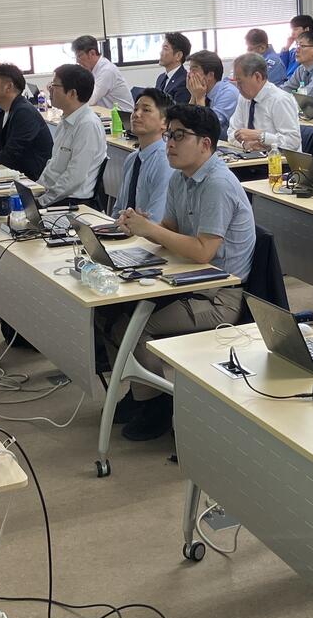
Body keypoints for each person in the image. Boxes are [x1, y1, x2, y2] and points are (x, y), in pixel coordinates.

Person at [107, 103, 255, 440]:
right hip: (190, 281)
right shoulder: (181, 178)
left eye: (179, 136)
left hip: (219, 297)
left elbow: (203, 251)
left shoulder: (217, 183)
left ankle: (157, 405)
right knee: (113, 315)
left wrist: (152, 231)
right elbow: (171, 230)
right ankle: (140, 392)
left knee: (134, 327)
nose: (170, 143)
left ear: (205, 144)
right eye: (169, 135)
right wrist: (141, 227)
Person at [39, 63, 106, 206]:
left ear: (72, 93)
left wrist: (43, 201)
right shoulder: (65, 121)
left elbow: (74, 178)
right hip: (54, 196)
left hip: (72, 202)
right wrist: (36, 189)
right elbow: (53, 165)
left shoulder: (88, 124)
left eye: (54, 85)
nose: (50, 90)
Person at [113, 88, 172, 220]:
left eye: (146, 110)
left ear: (165, 122)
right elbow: (118, 209)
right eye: (135, 109)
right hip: (125, 229)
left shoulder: (166, 161)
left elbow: (156, 219)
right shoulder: (132, 158)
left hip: (148, 232)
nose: (136, 114)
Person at [229, 52, 302, 153]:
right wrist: (245, 144)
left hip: (281, 160)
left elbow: (293, 142)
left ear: (257, 77)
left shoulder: (280, 100)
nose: (238, 87)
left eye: (240, 81)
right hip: (254, 159)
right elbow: (231, 133)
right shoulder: (244, 98)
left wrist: (262, 136)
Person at [71, 34, 134, 112]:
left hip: (122, 116)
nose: (77, 61)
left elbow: (91, 100)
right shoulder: (92, 69)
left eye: (79, 56)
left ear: (92, 53)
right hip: (106, 113)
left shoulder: (107, 70)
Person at [187, 50, 241, 131]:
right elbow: (187, 123)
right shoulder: (202, 91)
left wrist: (199, 98)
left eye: (194, 70)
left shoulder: (228, 93)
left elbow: (208, 127)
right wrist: (193, 96)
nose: (189, 74)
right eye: (189, 70)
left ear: (210, 75)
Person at [155, 31, 192, 104]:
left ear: (178, 56)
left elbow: (179, 109)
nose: (161, 53)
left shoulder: (185, 81)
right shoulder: (161, 78)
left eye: (165, 49)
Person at [277, 14, 313, 79]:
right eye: (292, 30)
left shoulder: (310, 52)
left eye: (295, 29)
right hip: (286, 81)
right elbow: (282, 67)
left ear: (306, 29)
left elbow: (302, 79)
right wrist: (287, 46)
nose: (292, 33)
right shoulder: (293, 51)